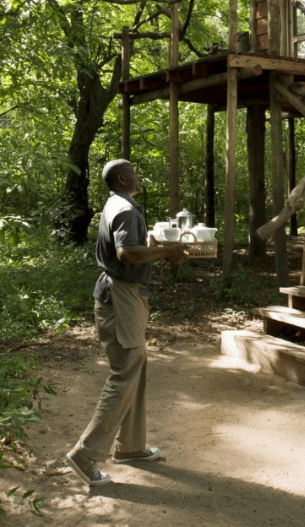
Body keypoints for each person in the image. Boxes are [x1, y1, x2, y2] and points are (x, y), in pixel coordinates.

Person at [65, 158, 190, 487]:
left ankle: (130, 447)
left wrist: (151, 245)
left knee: (136, 367)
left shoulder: (116, 204)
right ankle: (84, 454)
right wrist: (167, 252)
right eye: (133, 172)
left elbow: (130, 248)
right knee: (125, 374)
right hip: (120, 297)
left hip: (123, 295)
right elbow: (125, 253)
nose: (138, 176)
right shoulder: (125, 209)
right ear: (122, 179)